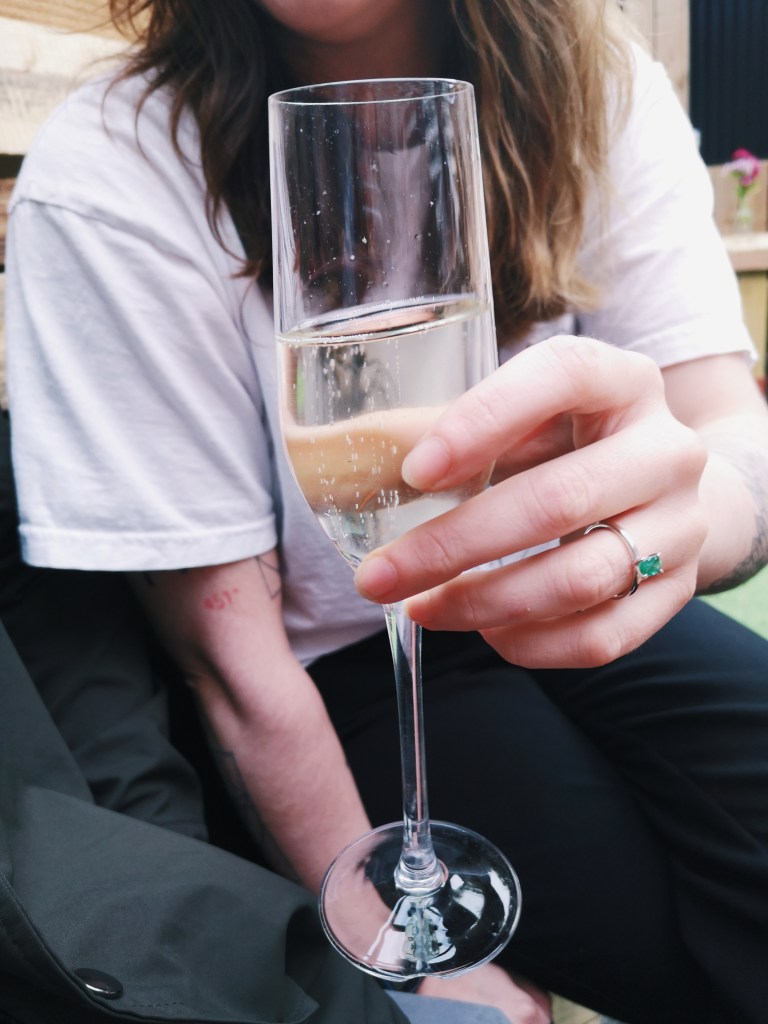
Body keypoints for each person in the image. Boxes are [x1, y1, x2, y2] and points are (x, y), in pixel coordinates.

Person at [4, 0, 768, 1022]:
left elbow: (728, 427)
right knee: (660, 940)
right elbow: (234, 666)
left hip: (587, 604)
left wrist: (695, 516)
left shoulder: (595, 79)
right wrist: (397, 943)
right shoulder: (119, 163)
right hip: (347, 670)